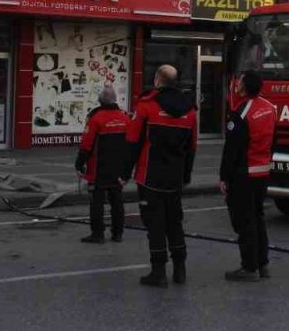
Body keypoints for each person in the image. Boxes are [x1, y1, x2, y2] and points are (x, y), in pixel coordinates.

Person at [128, 64, 198, 287]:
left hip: (150, 177)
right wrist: (186, 176)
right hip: (175, 178)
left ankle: (158, 272)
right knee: (175, 222)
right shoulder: (190, 110)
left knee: (155, 225)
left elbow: (132, 140)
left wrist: (122, 173)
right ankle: (180, 269)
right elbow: (192, 148)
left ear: (158, 81)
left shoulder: (147, 105)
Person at [219, 71, 277, 282]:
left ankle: (249, 267)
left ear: (243, 88)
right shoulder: (270, 108)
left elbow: (232, 150)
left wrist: (224, 177)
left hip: (244, 175)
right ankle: (263, 264)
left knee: (244, 222)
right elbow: (274, 140)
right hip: (262, 172)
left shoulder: (241, 113)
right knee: (258, 218)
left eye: (240, 83)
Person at [75, 87, 132, 244]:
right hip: (118, 168)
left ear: (100, 100)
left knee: (97, 202)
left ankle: (98, 234)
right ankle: (118, 233)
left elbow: (86, 145)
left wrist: (79, 163)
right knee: (117, 201)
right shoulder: (125, 117)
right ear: (115, 100)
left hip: (98, 168)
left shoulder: (96, 118)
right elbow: (131, 144)